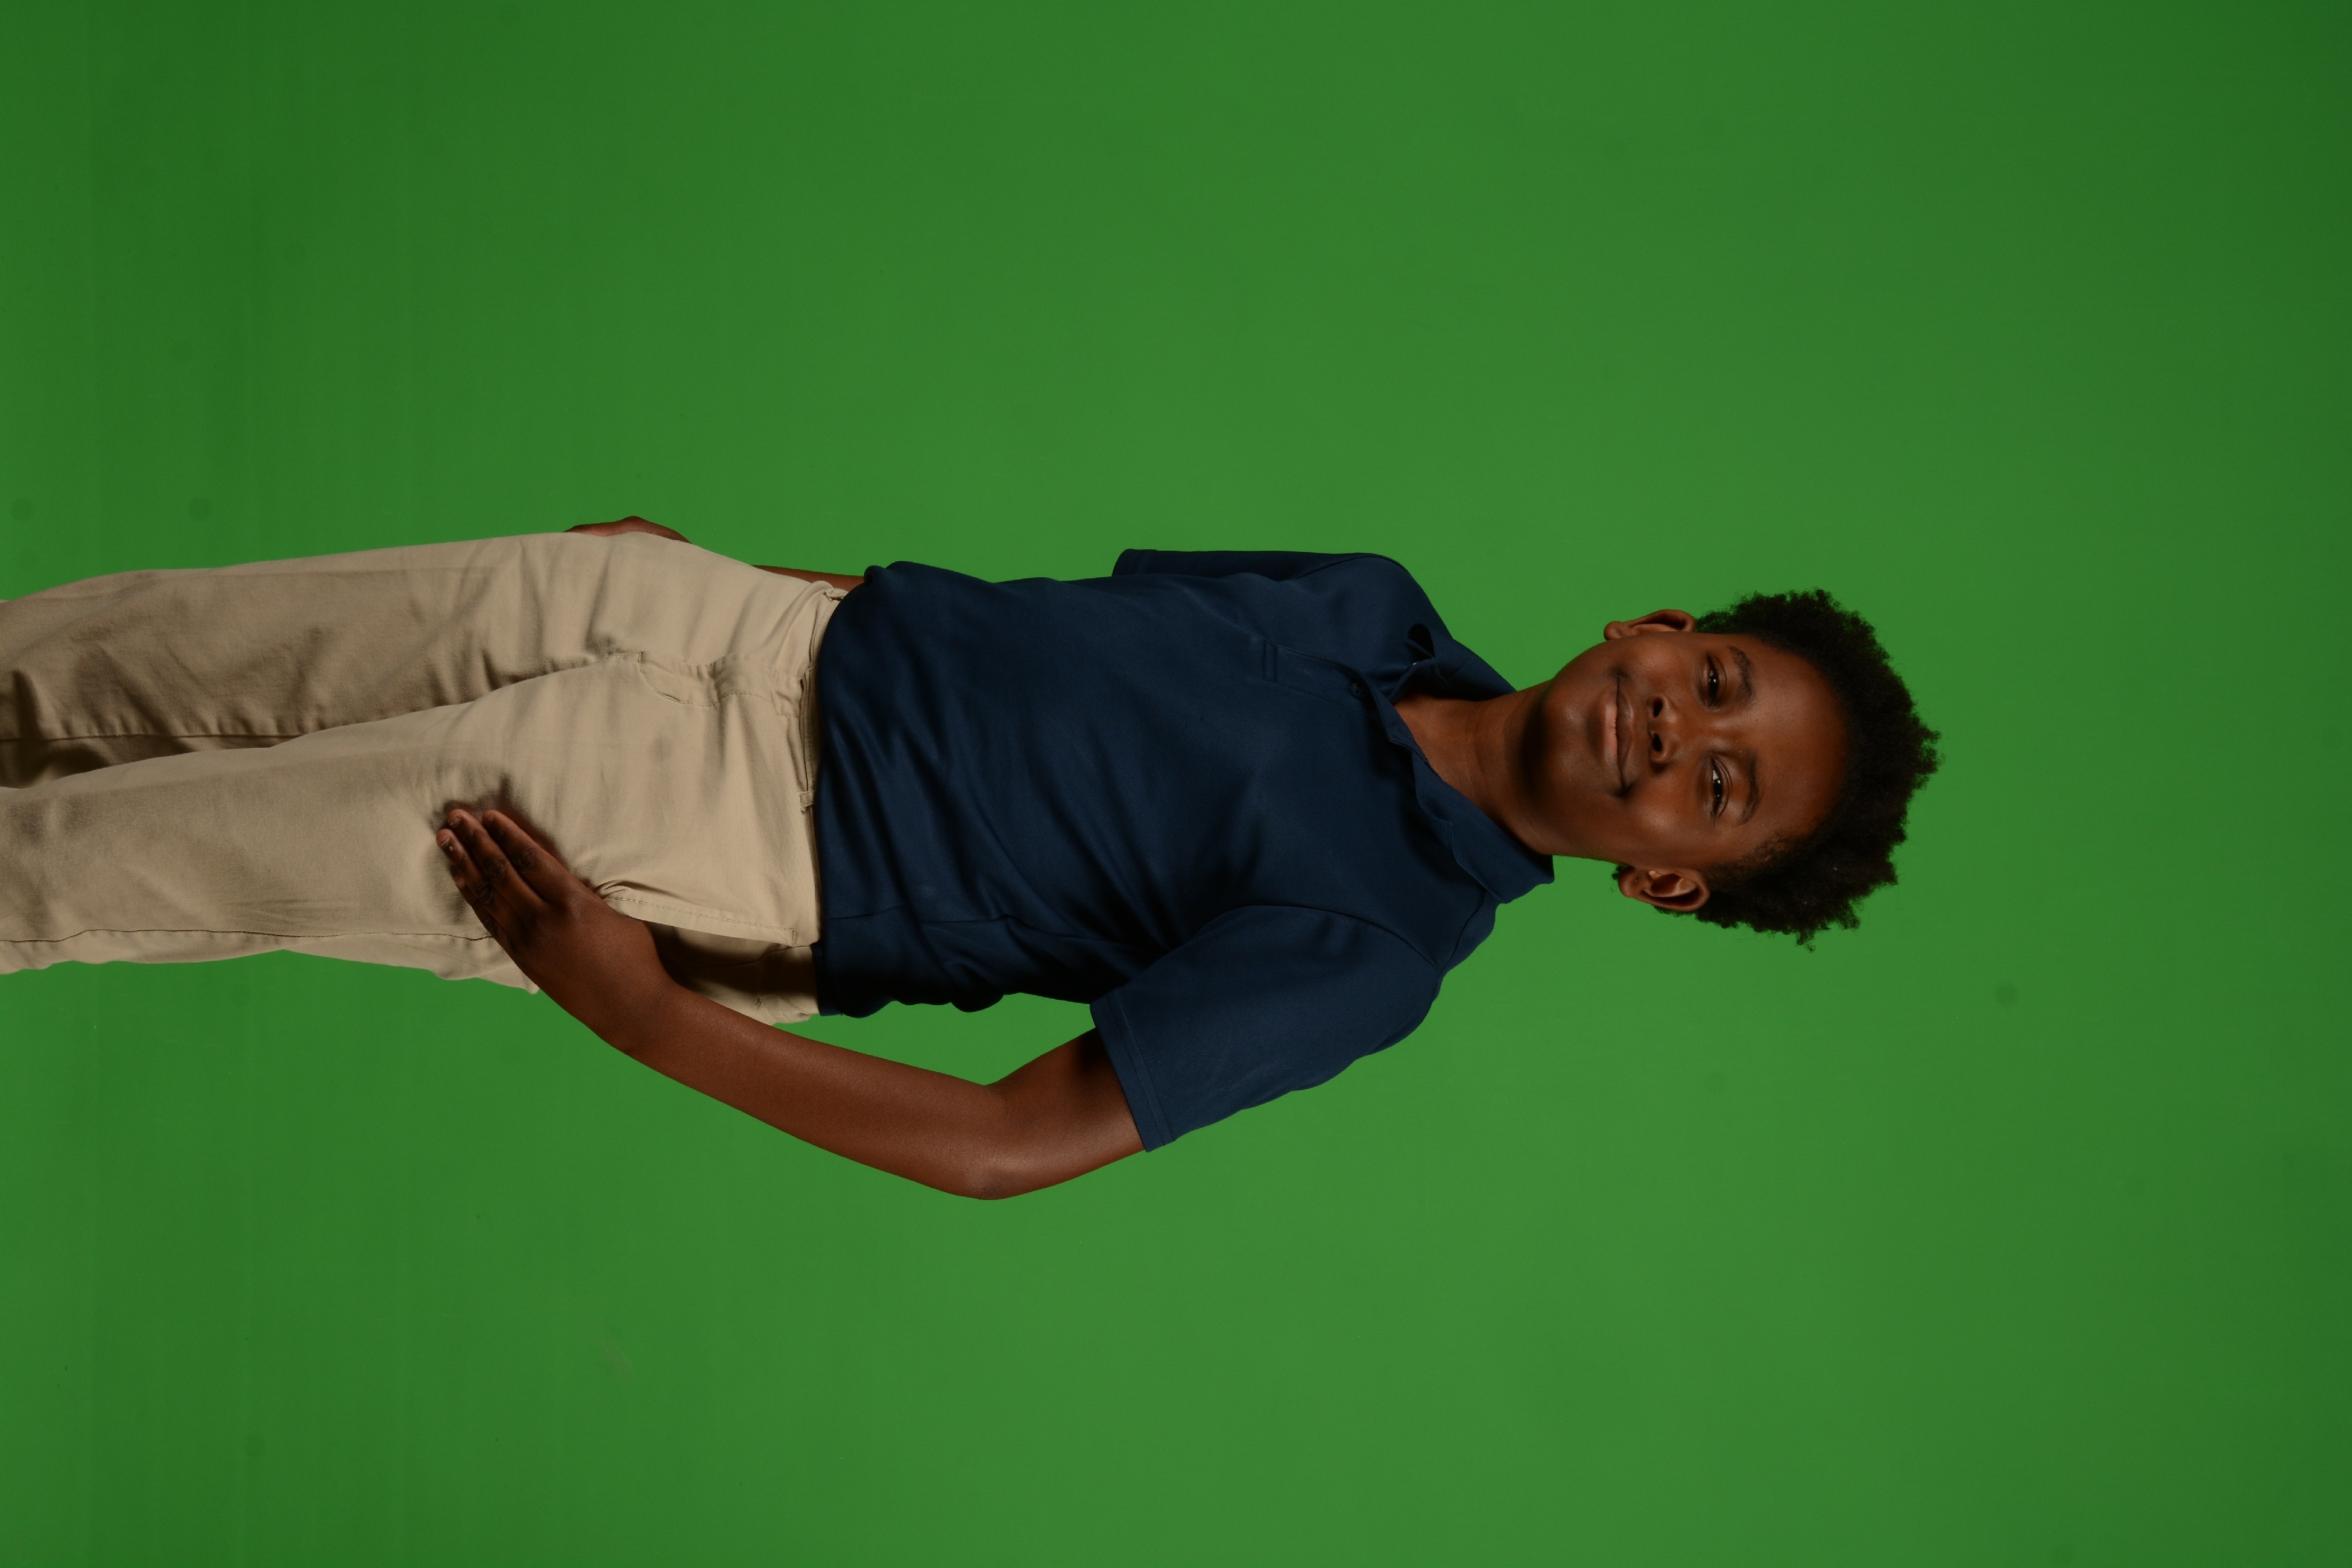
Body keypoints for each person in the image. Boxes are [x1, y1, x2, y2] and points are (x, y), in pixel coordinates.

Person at [0, 517, 1938, 1196]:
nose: (1675, 733)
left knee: (89, 859)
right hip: (732, 629)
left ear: (1664, 879)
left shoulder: (1377, 947)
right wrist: (731, 575)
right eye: (1714, 683)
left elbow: (1009, 1143)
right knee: (110, 654)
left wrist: (645, 1015)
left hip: (738, 830)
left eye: (1717, 790)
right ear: (1659, 625)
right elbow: (1043, 637)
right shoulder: (1371, 600)